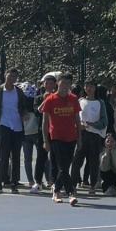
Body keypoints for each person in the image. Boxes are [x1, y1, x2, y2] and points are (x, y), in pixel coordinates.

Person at [40, 73, 82, 205]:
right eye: (63, 83)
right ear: (57, 83)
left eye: (68, 84)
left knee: (65, 167)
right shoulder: (50, 99)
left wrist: (79, 139)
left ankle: (56, 190)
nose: (65, 86)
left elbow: (77, 120)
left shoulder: (73, 99)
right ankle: (71, 193)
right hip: (56, 137)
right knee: (62, 167)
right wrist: (45, 140)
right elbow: (45, 123)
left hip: (71, 137)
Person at [0, 67, 27, 193]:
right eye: (10, 76)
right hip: (3, 125)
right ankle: (0, 183)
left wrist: (24, 114)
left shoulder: (19, 92)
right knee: (3, 156)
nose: (12, 78)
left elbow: (23, 107)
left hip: (17, 127)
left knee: (16, 157)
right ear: (5, 76)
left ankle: (14, 183)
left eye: (14, 77)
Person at [71, 81, 107, 197]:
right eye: (87, 86)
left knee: (93, 162)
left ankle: (92, 186)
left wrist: (92, 124)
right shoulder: (80, 101)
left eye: (91, 86)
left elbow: (104, 121)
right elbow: (74, 117)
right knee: (77, 161)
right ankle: (73, 185)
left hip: (94, 136)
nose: (89, 88)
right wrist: (78, 126)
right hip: (82, 135)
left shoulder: (100, 103)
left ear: (95, 88)